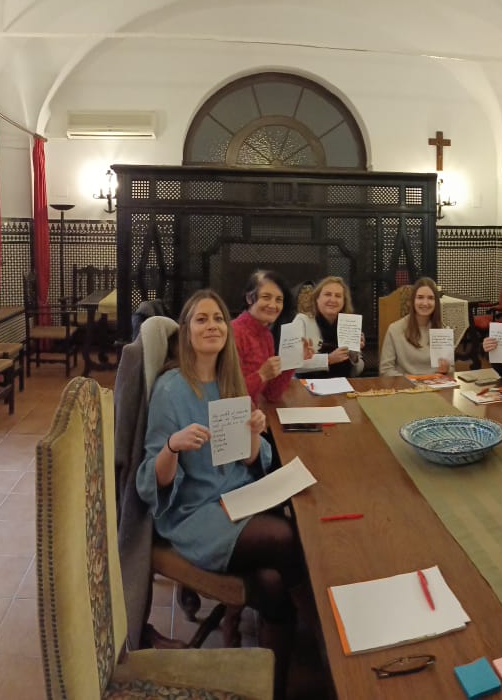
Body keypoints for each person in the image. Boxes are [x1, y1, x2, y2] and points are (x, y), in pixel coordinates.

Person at [135, 290, 305, 697]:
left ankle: (277, 687)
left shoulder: (231, 384)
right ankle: (322, 623)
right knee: (287, 538)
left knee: (271, 584)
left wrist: (252, 435)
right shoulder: (171, 390)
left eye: (218, 319)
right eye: (200, 320)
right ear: (186, 332)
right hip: (194, 512)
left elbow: (248, 461)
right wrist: (173, 446)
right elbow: (150, 479)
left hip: (237, 497)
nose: (211, 325)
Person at [231, 269, 307, 405]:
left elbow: (271, 394)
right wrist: (261, 375)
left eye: (279, 300)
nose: (273, 305)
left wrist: (294, 359)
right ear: (249, 298)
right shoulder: (234, 333)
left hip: (257, 417)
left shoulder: (266, 336)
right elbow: (228, 395)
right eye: (266, 297)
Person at [292, 276, 364, 379]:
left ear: (344, 302)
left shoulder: (349, 324)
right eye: (327, 294)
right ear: (317, 299)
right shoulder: (302, 321)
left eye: (338, 296)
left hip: (343, 387)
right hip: (308, 389)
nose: (333, 299)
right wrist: (328, 359)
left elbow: (357, 372)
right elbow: (292, 365)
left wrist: (354, 355)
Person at [379, 277, 449, 376]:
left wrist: (446, 369)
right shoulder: (394, 329)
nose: (425, 303)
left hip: (435, 386)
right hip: (405, 386)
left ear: (436, 302)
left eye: (430, 298)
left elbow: (450, 369)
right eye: (420, 297)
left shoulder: (443, 330)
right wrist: (412, 381)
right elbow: (385, 370)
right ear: (412, 301)